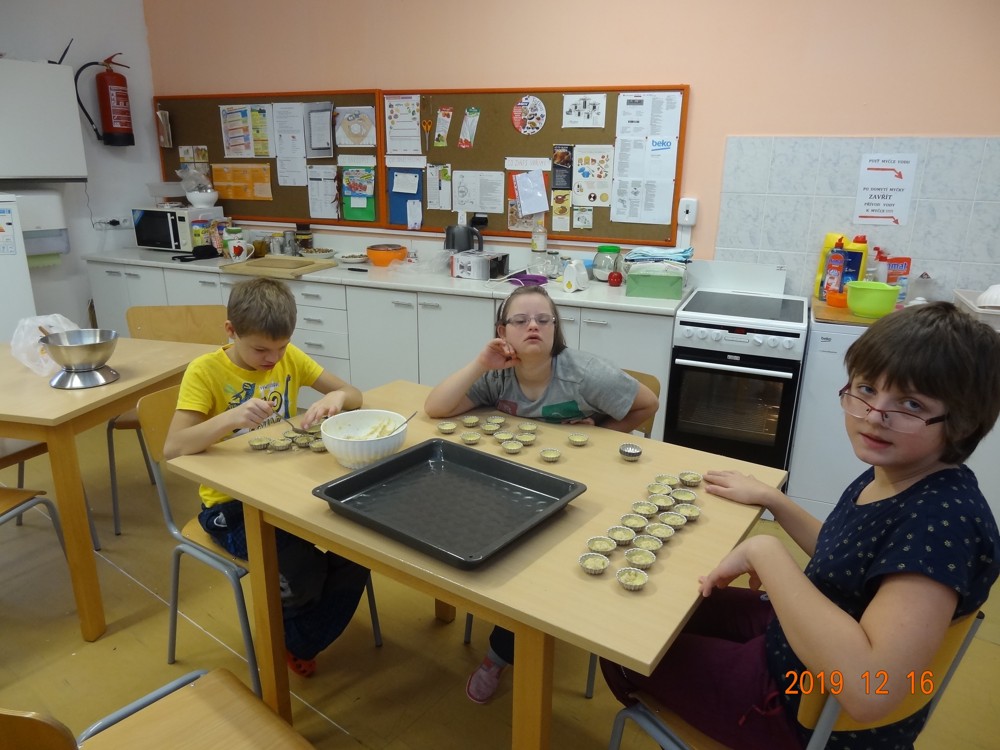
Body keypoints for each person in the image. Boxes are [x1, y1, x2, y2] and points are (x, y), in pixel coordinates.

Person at [600, 301, 1000, 749]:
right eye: (867, 389)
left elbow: (872, 689)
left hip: (801, 707)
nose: (874, 415)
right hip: (800, 646)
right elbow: (846, 556)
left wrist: (765, 552)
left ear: (962, 421)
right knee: (664, 605)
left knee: (623, 644)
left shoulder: (940, 526)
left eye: (910, 404)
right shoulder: (903, 472)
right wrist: (773, 498)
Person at [425, 284, 659, 703]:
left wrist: (603, 429)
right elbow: (436, 408)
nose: (533, 326)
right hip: (516, 490)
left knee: (536, 567)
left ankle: (498, 654)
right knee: (474, 535)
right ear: (502, 332)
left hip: (581, 495)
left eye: (543, 320)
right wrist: (479, 363)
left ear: (555, 329)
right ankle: (500, 612)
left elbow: (648, 404)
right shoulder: (497, 375)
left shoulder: (585, 374)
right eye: (520, 320)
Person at [164, 277, 369, 679]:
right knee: (304, 571)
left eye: (281, 347)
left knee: (360, 551)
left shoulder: (289, 358)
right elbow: (173, 447)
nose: (272, 359)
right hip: (229, 509)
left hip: (286, 493)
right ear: (231, 331)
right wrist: (229, 418)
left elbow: (354, 393)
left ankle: (298, 634)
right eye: (260, 349)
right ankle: (293, 637)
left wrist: (338, 397)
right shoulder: (206, 371)